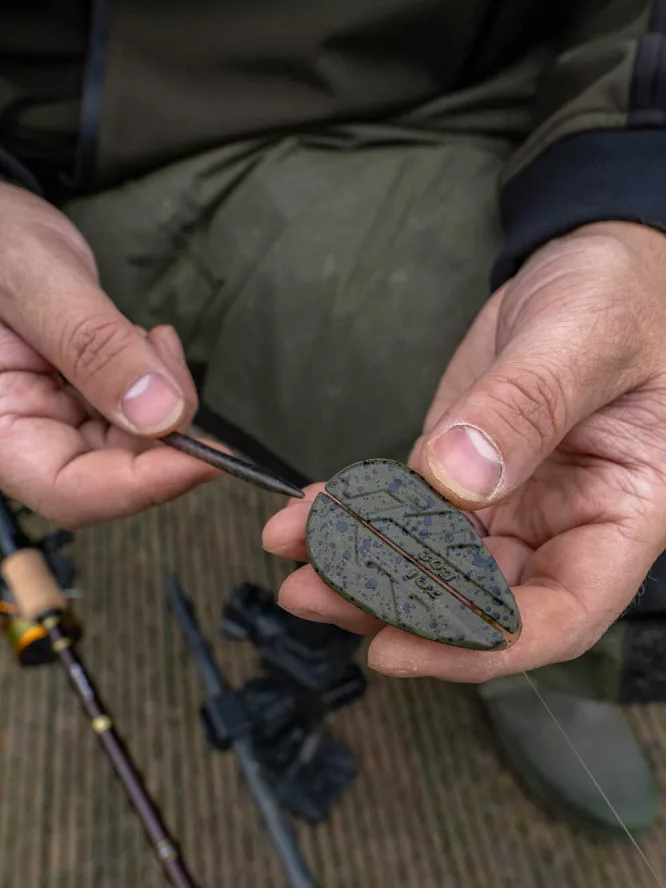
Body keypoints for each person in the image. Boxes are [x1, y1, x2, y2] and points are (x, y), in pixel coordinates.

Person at [2, 0, 666, 836]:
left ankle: (554, 650)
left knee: (620, 431)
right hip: (131, 146)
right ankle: (546, 651)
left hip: (537, 63)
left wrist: (635, 194)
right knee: (579, 475)